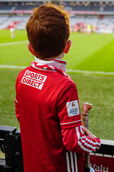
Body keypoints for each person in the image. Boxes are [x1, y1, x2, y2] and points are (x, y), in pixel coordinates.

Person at [15, 4, 101, 172]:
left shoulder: (22, 76)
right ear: (67, 46)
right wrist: (96, 142)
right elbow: (73, 141)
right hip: (58, 166)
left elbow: (21, 116)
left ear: (30, 48)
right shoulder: (65, 86)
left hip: (32, 165)